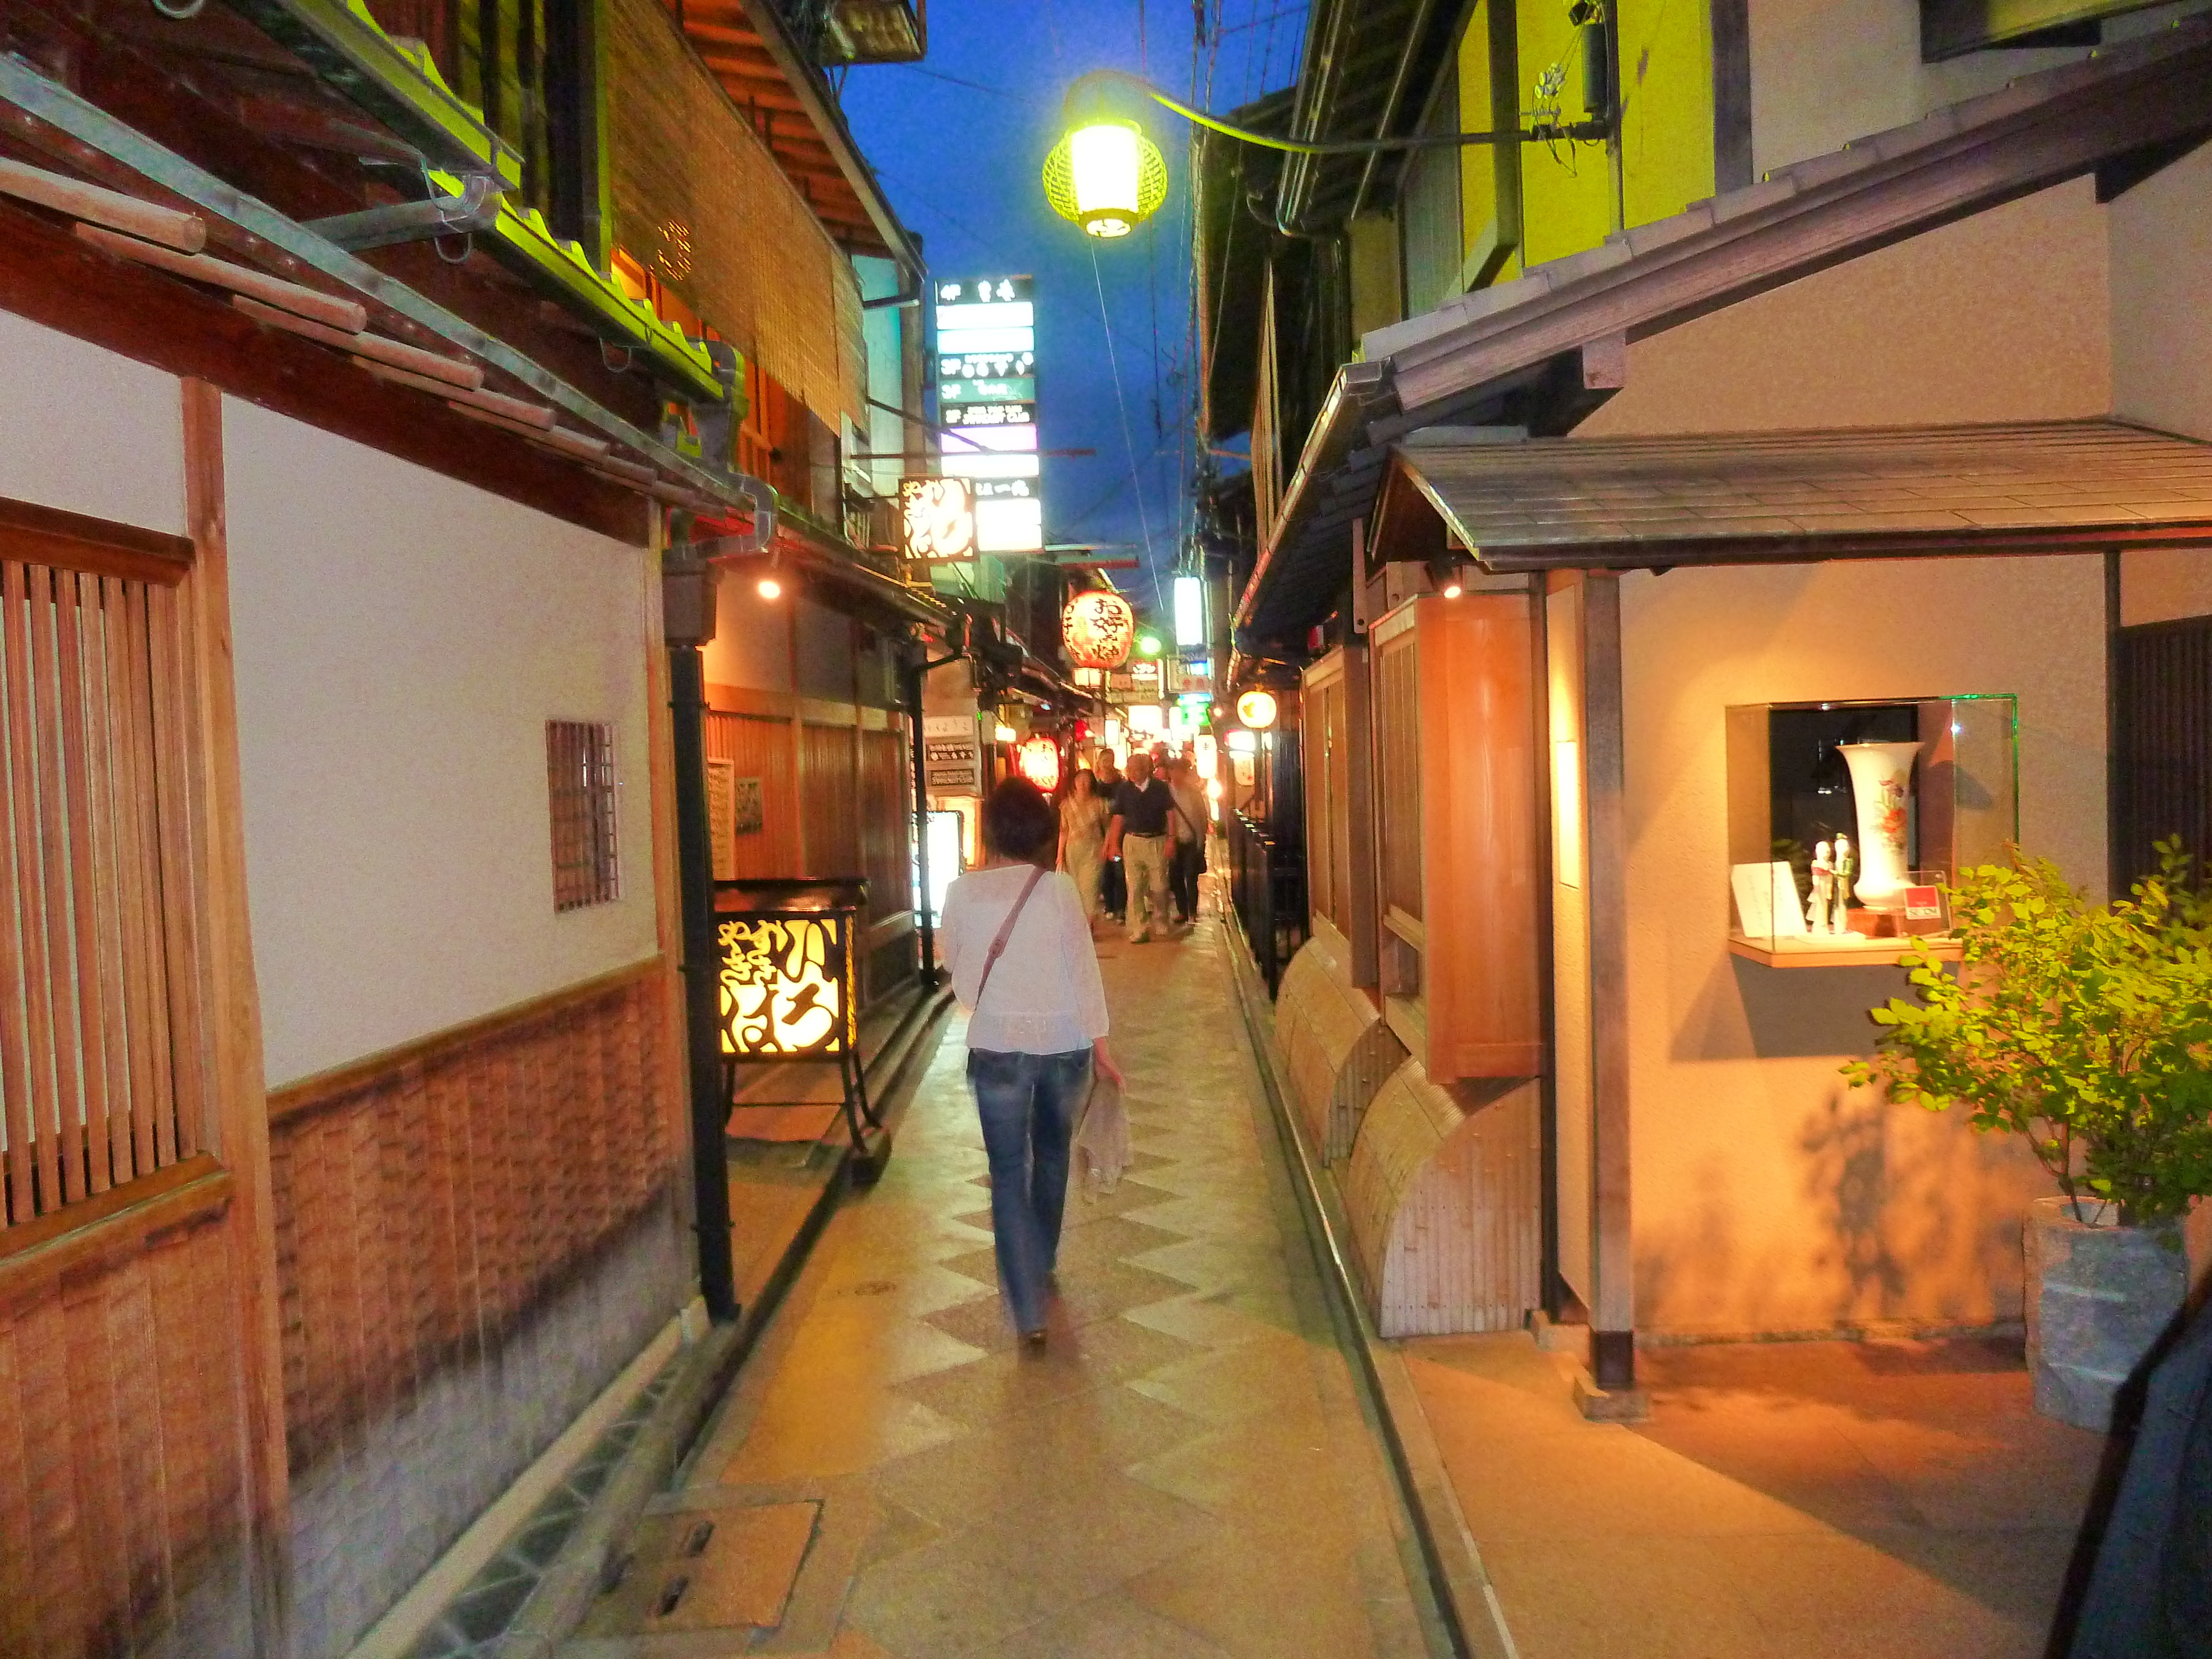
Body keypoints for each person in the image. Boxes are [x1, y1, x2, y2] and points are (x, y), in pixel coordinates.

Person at [941, 777, 1123, 1347]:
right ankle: (1040, 1258)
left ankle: (1027, 1309)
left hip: (996, 1051)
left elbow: (964, 988)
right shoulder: (1060, 890)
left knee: (1005, 1172)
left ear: (991, 831)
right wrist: (1101, 1046)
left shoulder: (960, 893)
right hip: (1064, 1049)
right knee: (1050, 1154)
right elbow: (1084, 972)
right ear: (1042, 833)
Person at [1105, 752, 1175, 943]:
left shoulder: (1160, 788)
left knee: (1159, 886)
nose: (1132, 772)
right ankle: (1139, 927)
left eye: (1136, 768)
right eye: (1129, 769)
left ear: (1147, 770)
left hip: (1156, 840)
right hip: (1132, 841)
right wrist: (1113, 844)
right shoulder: (1124, 790)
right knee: (1135, 888)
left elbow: (1170, 814)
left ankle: (1161, 918)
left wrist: (1171, 839)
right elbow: (1118, 817)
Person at [1057, 768, 1110, 925]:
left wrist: (1107, 845)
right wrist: (1060, 856)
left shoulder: (1100, 804)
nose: (1083, 784)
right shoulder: (1066, 805)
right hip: (1073, 850)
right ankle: (1080, 924)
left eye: (1087, 781)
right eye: (1080, 780)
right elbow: (1063, 832)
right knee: (1076, 890)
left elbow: (1108, 827)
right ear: (1074, 783)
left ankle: (1089, 923)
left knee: (1090, 887)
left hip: (1093, 850)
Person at [1165, 758, 1208, 926]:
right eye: (1173, 771)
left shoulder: (1193, 793)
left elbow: (1202, 817)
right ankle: (1182, 911)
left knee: (1191, 877)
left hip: (1190, 840)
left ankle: (1192, 912)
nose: (1176, 775)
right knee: (1175, 878)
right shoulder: (1166, 792)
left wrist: (1201, 839)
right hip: (1173, 841)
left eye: (1179, 772)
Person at [1093, 752, 1126, 921]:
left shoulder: (1122, 785)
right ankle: (1110, 905)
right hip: (1098, 836)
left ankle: (1121, 908)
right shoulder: (1095, 787)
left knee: (1119, 871)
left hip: (1119, 836)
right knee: (1104, 872)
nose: (1107, 764)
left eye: (1110, 761)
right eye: (1104, 761)